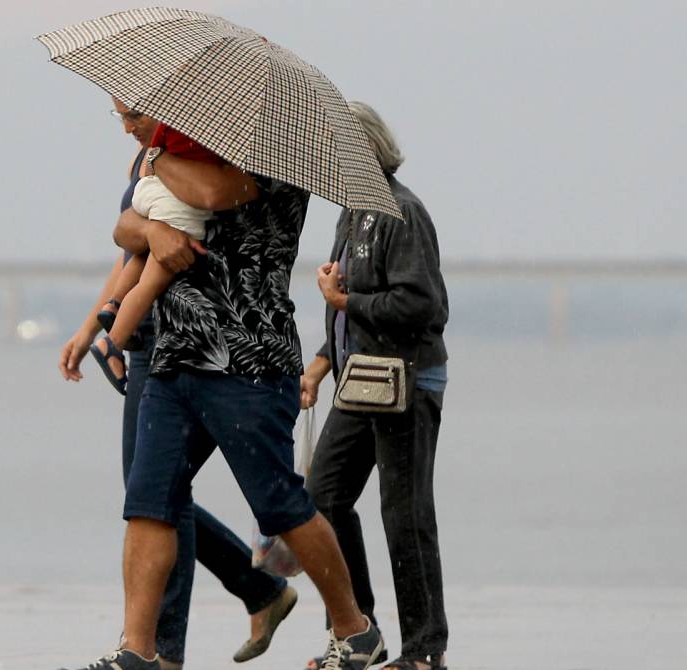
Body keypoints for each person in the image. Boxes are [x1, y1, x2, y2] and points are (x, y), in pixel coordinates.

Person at [58, 98, 383, 670]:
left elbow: (212, 195)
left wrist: (153, 162)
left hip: (249, 357)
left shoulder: (279, 153)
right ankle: (138, 650)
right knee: (149, 501)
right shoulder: (187, 153)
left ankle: (354, 629)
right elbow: (124, 226)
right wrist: (155, 226)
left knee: (278, 502)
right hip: (173, 353)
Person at [300, 101, 450, 670]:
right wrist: (319, 360)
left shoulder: (401, 212)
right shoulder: (349, 212)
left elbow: (423, 304)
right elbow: (349, 311)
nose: (323, 160)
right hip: (357, 381)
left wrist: (344, 300)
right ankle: (359, 631)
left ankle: (424, 650)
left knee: (405, 514)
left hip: (406, 383)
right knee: (322, 498)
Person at [89, 121, 225, 394]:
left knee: (143, 254)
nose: (128, 127)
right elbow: (209, 189)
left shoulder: (166, 126)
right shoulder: (205, 134)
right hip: (176, 205)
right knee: (150, 283)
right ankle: (113, 343)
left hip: (148, 193)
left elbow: (152, 160)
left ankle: (113, 305)